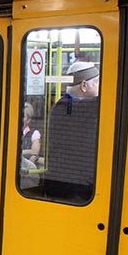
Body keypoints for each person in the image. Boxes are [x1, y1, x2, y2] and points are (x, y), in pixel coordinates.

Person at [44, 59, 100, 202]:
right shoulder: (74, 107)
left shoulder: (61, 105)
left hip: (63, 180)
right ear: (84, 85)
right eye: (98, 83)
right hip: (75, 186)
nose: (100, 89)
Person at [21, 102, 42, 166]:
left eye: (23, 116)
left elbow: (34, 152)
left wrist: (20, 152)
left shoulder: (35, 133)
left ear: (28, 120)